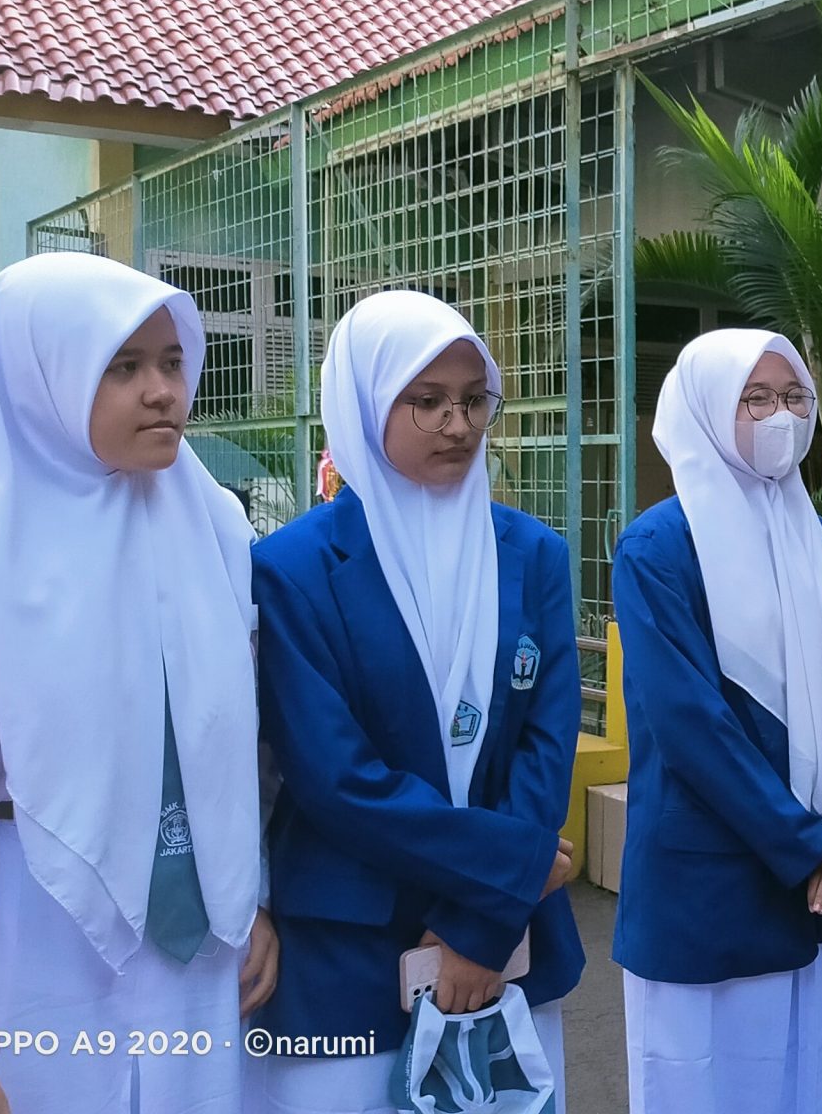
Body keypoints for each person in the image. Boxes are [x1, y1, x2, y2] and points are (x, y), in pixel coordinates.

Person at [0, 253, 272, 1114]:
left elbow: (231, 746)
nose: (162, 391)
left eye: (173, 362)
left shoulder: (212, 522)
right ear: (40, 378)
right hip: (30, 940)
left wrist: (250, 896)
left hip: (200, 953)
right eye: (123, 367)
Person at [246, 291, 584, 1113]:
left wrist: (483, 922)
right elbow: (335, 778)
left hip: (506, 942)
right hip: (348, 946)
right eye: (426, 401)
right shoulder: (292, 568)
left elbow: (546, 745)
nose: (457, 426)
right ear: (365, 406)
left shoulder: (534, 554)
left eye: (473, 400)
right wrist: (514, 868)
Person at [610, 329, 822, 1111]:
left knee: (820, 1079)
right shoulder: (659, 547)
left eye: (795, 398)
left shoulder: (814, 535)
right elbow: (691, 725)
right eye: (755, 400)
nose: (781, 417)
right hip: (711, 885)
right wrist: (806, 844)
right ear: (704, 411)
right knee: (706, 1084)